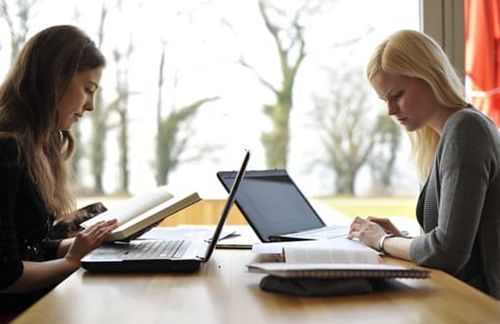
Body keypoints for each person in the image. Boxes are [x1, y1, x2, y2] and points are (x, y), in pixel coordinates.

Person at [348, 30, 500, 299]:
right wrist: (401, 239)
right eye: (385, 100)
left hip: (481, 306)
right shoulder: (450, 134)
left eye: (397, 95)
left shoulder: (466, 130)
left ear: (430, 76)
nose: (390, 111)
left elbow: (448, 253)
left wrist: (382, 241)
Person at [0, 25, 118, 316]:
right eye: (88, 90)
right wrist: (72, 261)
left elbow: (30, 246)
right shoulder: (5, 152)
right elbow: (5, 275)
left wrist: (84, 244)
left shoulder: (38, 145)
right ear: (55, 79)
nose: (90, 106)